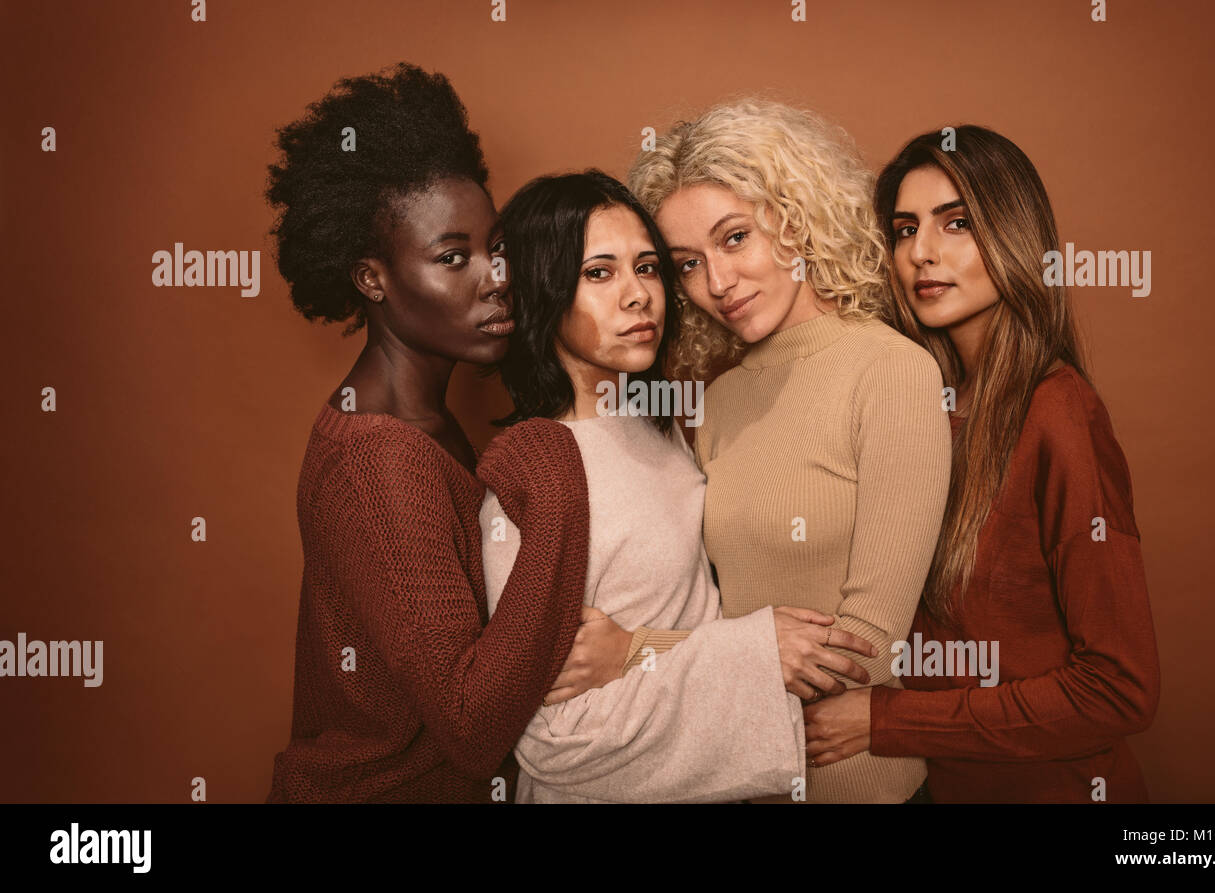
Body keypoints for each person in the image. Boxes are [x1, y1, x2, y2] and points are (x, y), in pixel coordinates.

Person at [480, 170, 879, 803]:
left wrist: (651, 651)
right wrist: (753, 653)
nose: (638, 295)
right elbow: (552, 738)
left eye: (647, 267)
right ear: (541, 293)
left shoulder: (661, 432)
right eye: (599, 273)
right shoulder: (531, 477)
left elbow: (667, 631)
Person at [803, 124, 1160, 803]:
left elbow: (1120, 688)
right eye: (905, 229)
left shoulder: (1060, 411)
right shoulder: (916, 405)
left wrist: (886, 720)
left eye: (956, 222)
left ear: (1013, 234)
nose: (922, 253)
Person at [263, 63, 589, 803]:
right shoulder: (380, 460)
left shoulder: (419, 420)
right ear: (372, 279)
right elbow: (472, 726)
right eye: (453, 258)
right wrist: (562, 490)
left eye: (494, 246)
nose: (495, 276)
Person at [624, 99, 952, 803]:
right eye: (687, 263)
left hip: (857, 785)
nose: (717, 283)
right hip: (732, 777)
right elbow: (712, 612)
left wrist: (636, 656)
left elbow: (872, 640)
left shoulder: (890, 371)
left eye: (734, 237)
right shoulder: (715, 404)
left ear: (794, 215)